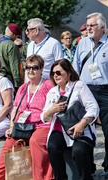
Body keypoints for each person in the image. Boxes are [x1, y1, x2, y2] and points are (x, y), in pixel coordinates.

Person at [0, 54, 53, 180]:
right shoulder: (23, 88)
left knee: (35, 141)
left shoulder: (48, 85)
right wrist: (12, 126)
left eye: (35, 67)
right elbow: (15, 108)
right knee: (9, 145)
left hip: (41, 124)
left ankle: (40, 178)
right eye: (28, 67)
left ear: (41, 69)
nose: (31, 70)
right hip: (23, 126)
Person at [42, 59, 99, 180]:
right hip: (59, 131)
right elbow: (44, 118)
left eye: (58, 72)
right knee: (52, 146)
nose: (55, 76)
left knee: (79, 151)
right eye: (53, 73)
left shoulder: (79, 86)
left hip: (81, 130)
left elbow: (93, 108)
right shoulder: (52, 92)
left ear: (68, 72)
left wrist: (82, 123)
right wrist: (52, 110)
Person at [72, 12, 108, 178]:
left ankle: (107, 166)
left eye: (92, 26)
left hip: (105, 91)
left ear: (102, 27)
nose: (88, 29)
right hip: (85, 90)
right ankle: (88, 166)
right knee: (84, 130)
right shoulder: (82, 43)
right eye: (87, 26)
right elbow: (76, 67)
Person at [25, 18, 63, 82]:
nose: (26, 33)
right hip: (31, 86)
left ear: (36, 31)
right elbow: (27, 68)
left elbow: (60, 67)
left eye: (28, 30)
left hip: (48, 85)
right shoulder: (30, 45)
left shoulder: (54, 44)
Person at [0, 23, 22, 89]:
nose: (16, 38)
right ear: (14, 34)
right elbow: (15, 67)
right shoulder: (12, 45)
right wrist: (18, 85)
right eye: (16, 36)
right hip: (6, 79)